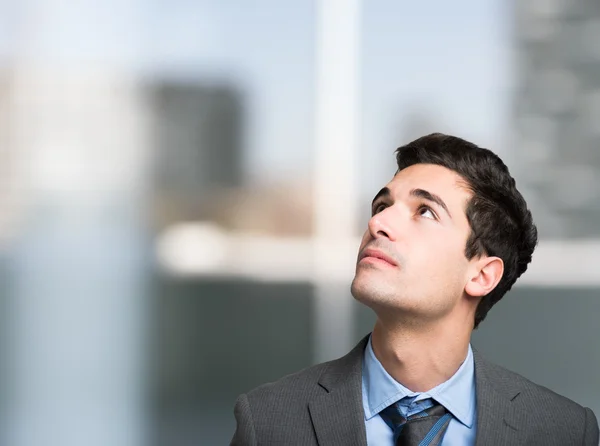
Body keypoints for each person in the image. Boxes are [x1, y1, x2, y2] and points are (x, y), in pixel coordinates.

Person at [230, 133, 599, 446]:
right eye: (382, 205)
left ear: (482, 275)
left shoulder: (564, 431)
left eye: (425, 211)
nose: (379, 222)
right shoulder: (267, 422)